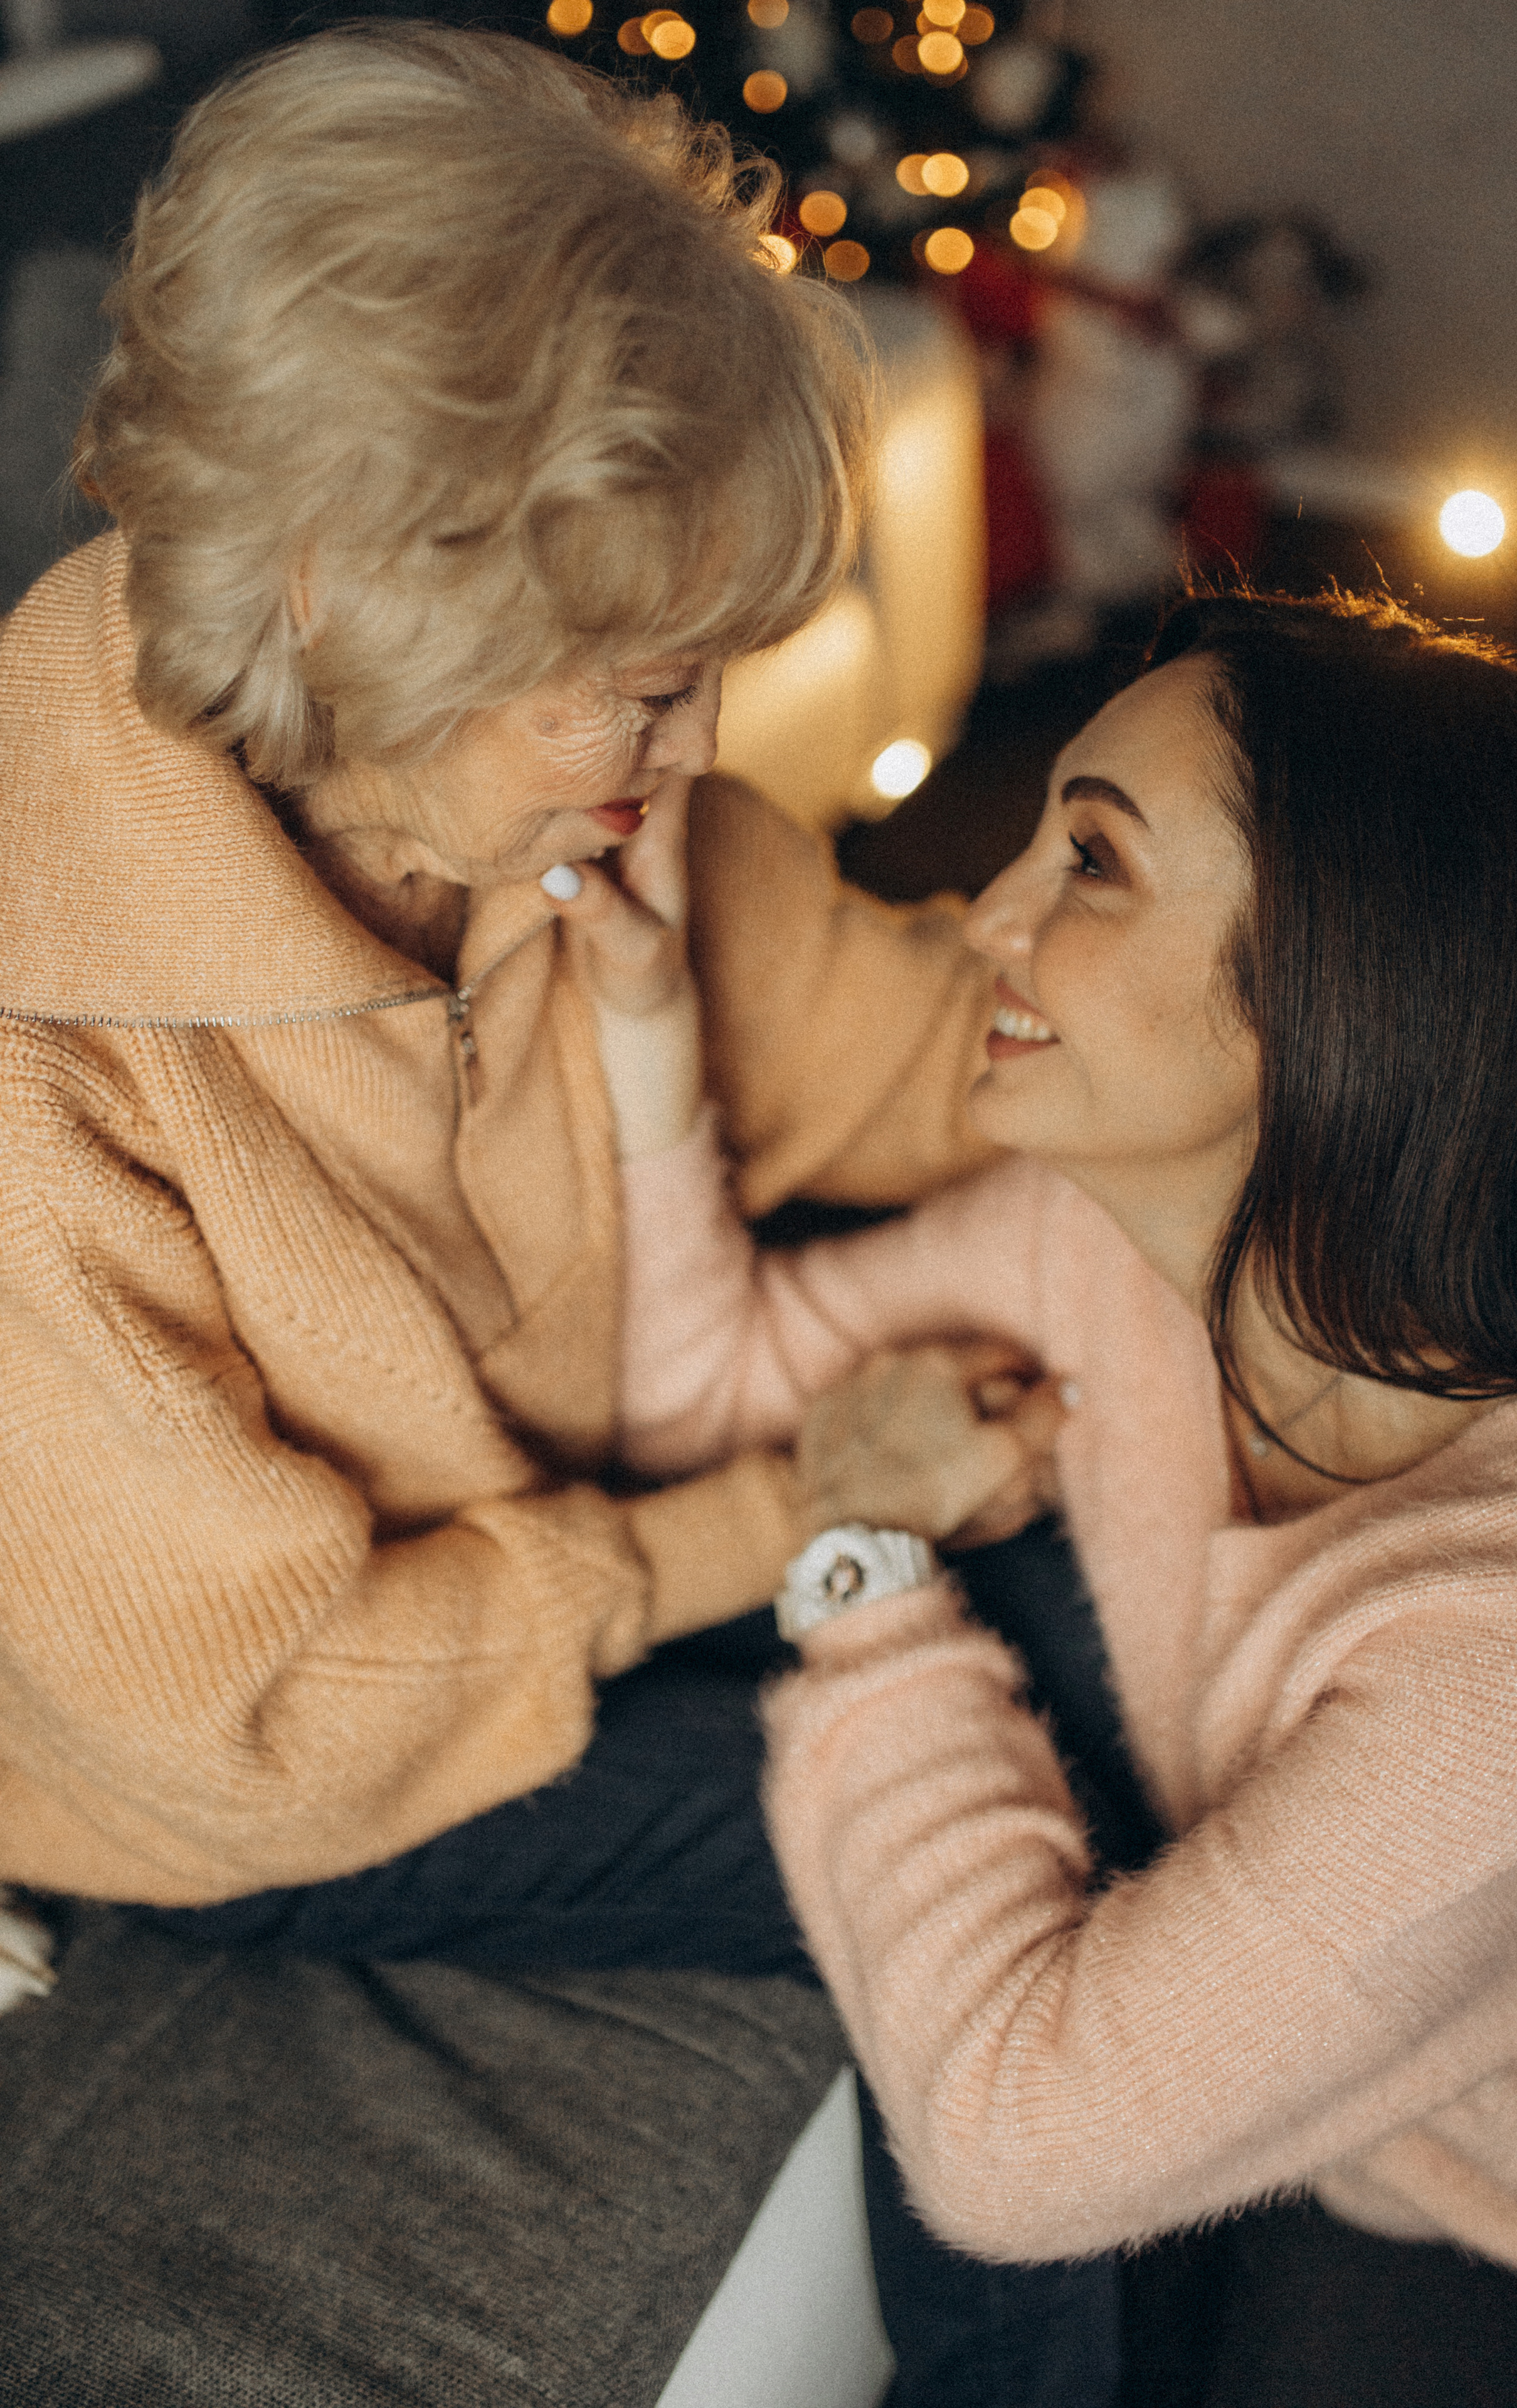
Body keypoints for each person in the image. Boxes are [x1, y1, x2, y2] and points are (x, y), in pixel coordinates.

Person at [0, 23, 998, 1921]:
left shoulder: (569, 824)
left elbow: (913, 1050)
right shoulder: (36, 1079)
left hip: (576, 1533)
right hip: (270, 1762)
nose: (706, 756)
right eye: (637, 695)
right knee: (943, 1841)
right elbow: (256, 1719)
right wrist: (799, 1510)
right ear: (341, 597)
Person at [569, 588, 1517, 2404]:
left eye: (1096, 863)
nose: (990, 913)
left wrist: (864, 1570)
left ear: (1338, 980)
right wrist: (651, 1036)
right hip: (1343, 2122)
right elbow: (702, 1404)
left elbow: (1009, 2145)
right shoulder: (1107, 1242)